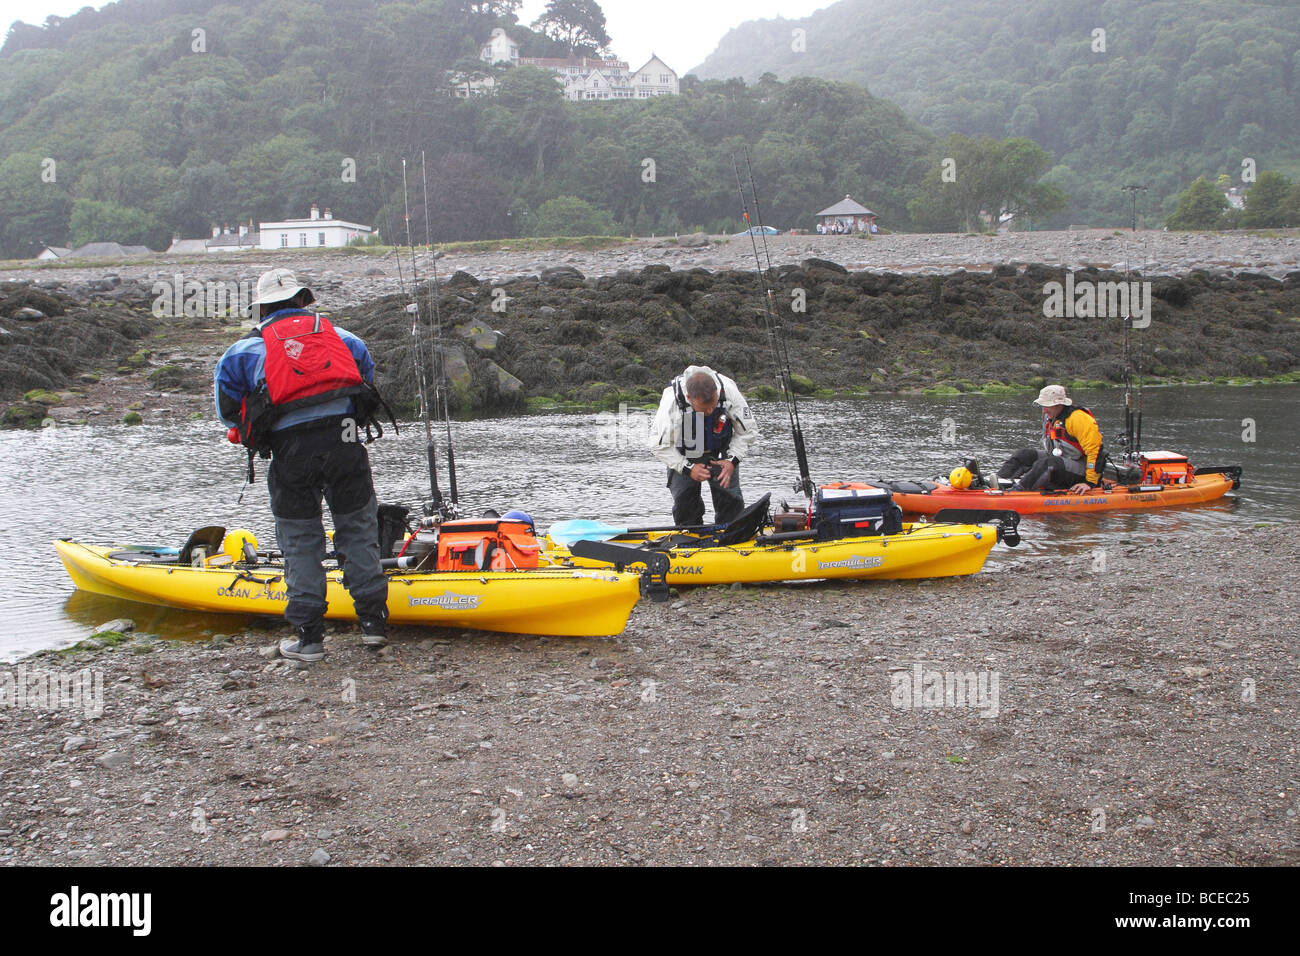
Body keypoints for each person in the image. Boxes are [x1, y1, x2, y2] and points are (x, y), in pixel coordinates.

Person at [214, 268, 389, 663]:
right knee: (358, 530)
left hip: (291, 452)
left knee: (301, 539)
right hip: (344, 442)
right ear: (302, 300)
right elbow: (366, 382)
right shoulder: (344, 339)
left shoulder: (241, 352)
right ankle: (374, 627)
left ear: (261, 309)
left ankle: (309, 640)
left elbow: (228, 415)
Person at [651, 365, 758, 526]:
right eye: (704, 408)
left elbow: (748, 431)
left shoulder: (729, 391)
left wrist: (732, 461)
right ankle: (689, 540)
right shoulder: (672, 402)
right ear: (689, 397)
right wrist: (687, 468)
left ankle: (732, 538)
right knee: (685, 506)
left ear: (717, 393)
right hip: (684, 455)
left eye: (713, 406)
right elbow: (658, 445)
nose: (709, 411)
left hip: (722, 454)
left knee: (731, 504)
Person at [997, 384, 1103, 493]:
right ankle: (997, 483)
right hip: (1062, 459)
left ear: (1059, 404)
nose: (1044, 410)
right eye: (1043, 406)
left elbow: (1096, 451)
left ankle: (1016, 492)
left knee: (1048, 463)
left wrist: (1089, 482)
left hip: (1082, 470)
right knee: (1024, 455)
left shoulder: (1078, 419)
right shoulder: (1051, 416)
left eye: (1047, 406)